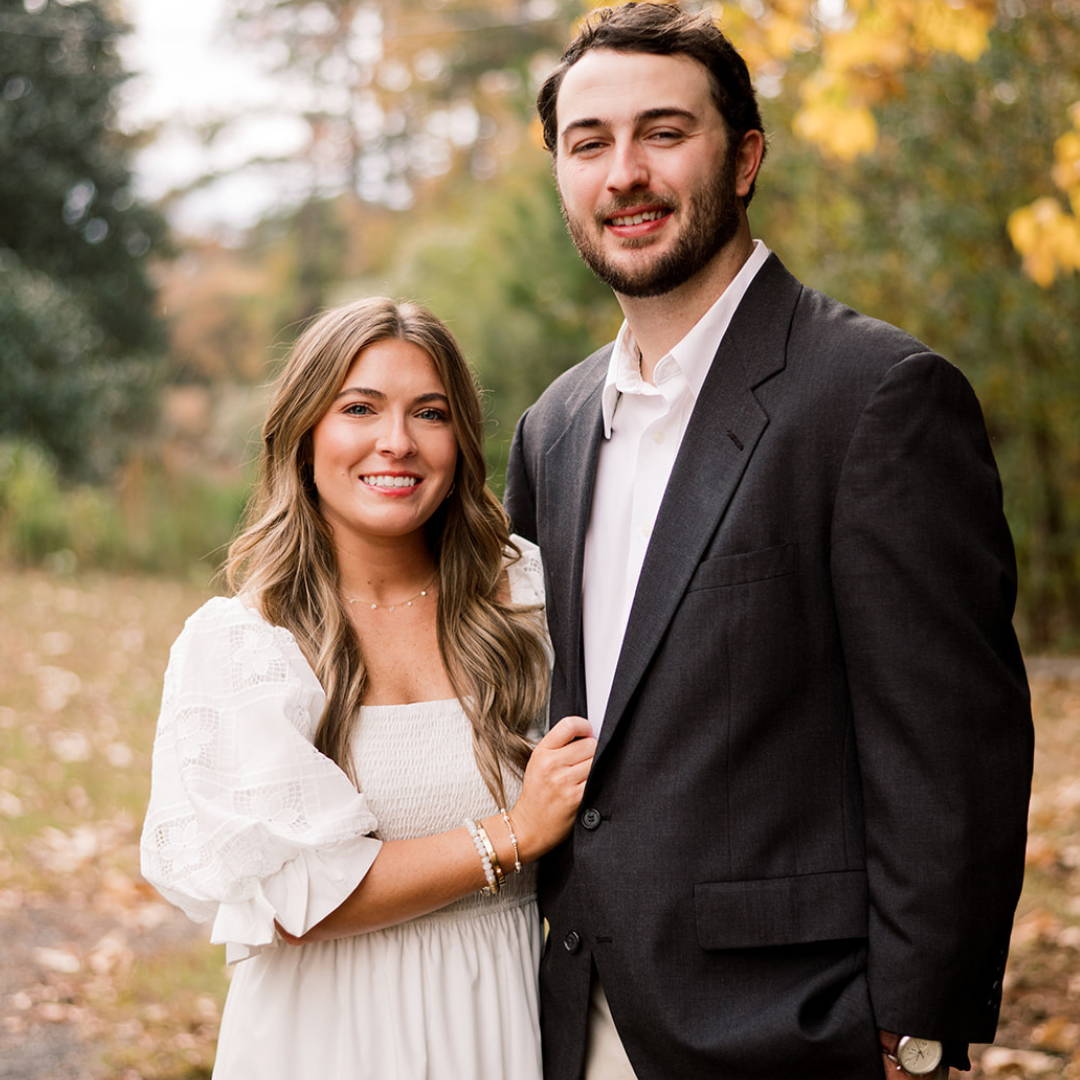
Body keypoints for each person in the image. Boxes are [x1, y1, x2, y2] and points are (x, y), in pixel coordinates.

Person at [504, 6, 1034, 1079]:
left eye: (664, 133)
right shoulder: (550, 428)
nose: (625, 174)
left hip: (799, 1028)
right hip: (574, 1017)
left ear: (744, 158)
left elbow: (953, 751)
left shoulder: (877, 397)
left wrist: (918, 1033)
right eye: (589, 143)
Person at [140, 297, 596, 1080]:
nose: (397, 442)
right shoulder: (245, 645)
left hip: (501, 1016)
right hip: (325, 1036)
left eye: (430, 413)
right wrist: (513, 832)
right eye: (360, 408)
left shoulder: (525, 595)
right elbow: (295, 899)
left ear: (460, 439)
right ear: (304, 433)